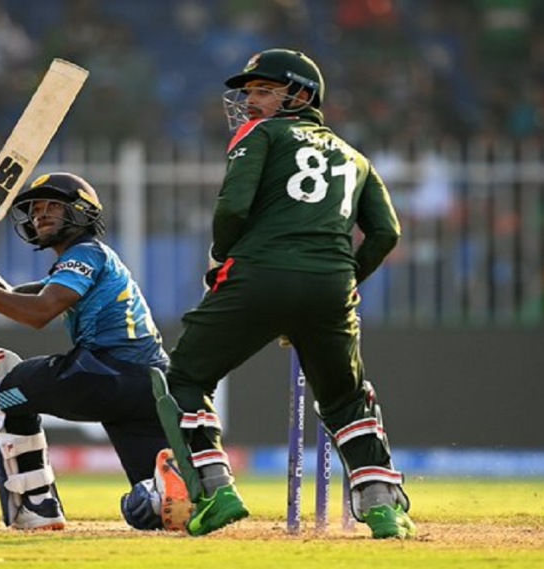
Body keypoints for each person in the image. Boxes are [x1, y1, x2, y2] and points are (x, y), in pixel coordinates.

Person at [151, 48, 416, 538]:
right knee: (345, 399)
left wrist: (221, 257)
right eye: (249, 91)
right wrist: (343, 280)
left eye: (264, 90)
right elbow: (386, 233)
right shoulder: (356, 158)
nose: (250, 101)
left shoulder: (261, 134)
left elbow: (233, 208)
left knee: (184, 378)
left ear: (300, 95)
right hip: (331, 284)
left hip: (259, 275)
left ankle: (216, 490)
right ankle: (382, 506)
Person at [0, 172, 189, 531]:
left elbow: (38, 313)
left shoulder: (86, 253)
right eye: (36, 209)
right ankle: (174, 488)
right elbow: (20, 298)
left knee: (2, 390)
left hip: (104, 374)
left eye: (53, 205)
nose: (41, 214)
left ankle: (38, 504)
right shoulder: (90, 260)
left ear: (82, 212)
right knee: (147, 508)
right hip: (148, 388)